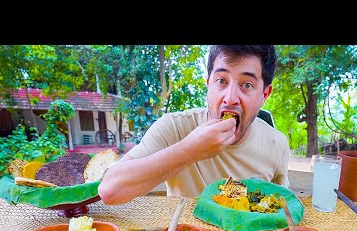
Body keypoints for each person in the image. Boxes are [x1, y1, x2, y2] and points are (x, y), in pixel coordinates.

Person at [98, 45, 290, 205]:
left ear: (264, 94)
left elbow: (283, 208)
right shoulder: (174, 127)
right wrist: (190, 150)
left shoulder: (277, 144)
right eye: (221, 81)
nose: (230, 99)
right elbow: (109, 190)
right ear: (208, 84)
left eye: (247, 85)